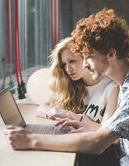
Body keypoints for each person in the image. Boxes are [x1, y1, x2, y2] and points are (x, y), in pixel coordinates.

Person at [4, 8, 129, 165]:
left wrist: (31, 139)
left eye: (88, 56)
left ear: (111, 54)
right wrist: (89, 127)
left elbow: (98, 144)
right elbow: (117, 135)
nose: (85, 64)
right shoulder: (128, 84)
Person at [34, 37, 121, 165]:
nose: (68, 68)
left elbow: (107, 134)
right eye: (64, 64)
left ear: (86, 58)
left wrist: (73, 117)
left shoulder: (111, 88)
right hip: (77, 150)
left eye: (72, 61)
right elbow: (41, 108)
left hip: (101, 157)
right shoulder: (73, 86)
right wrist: (62, 115)